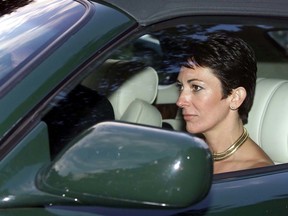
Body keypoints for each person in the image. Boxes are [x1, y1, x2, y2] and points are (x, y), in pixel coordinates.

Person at [176, 32, 273, 174]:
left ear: (235, 97)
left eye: (196, 87)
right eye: (180, 87)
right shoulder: (188, 153)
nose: (180, 101)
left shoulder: (256, 175)